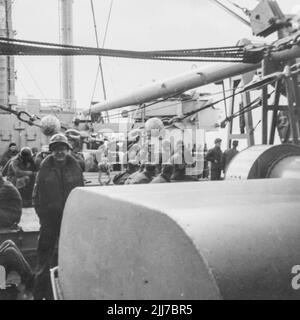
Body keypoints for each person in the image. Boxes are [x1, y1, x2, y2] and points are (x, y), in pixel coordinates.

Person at [32, 133, 84, 300]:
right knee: (43, 257)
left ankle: (73, 290)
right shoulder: (44, 169)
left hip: (70, 220)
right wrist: (43, 217)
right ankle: (39, 293)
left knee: (72, 254)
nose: (60, 152)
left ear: (67, 150)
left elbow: (81, 193)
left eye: (62, 149)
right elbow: (36, 195)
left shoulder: (75, 167)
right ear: (51, 152)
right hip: (50, 220)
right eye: (56, 150)